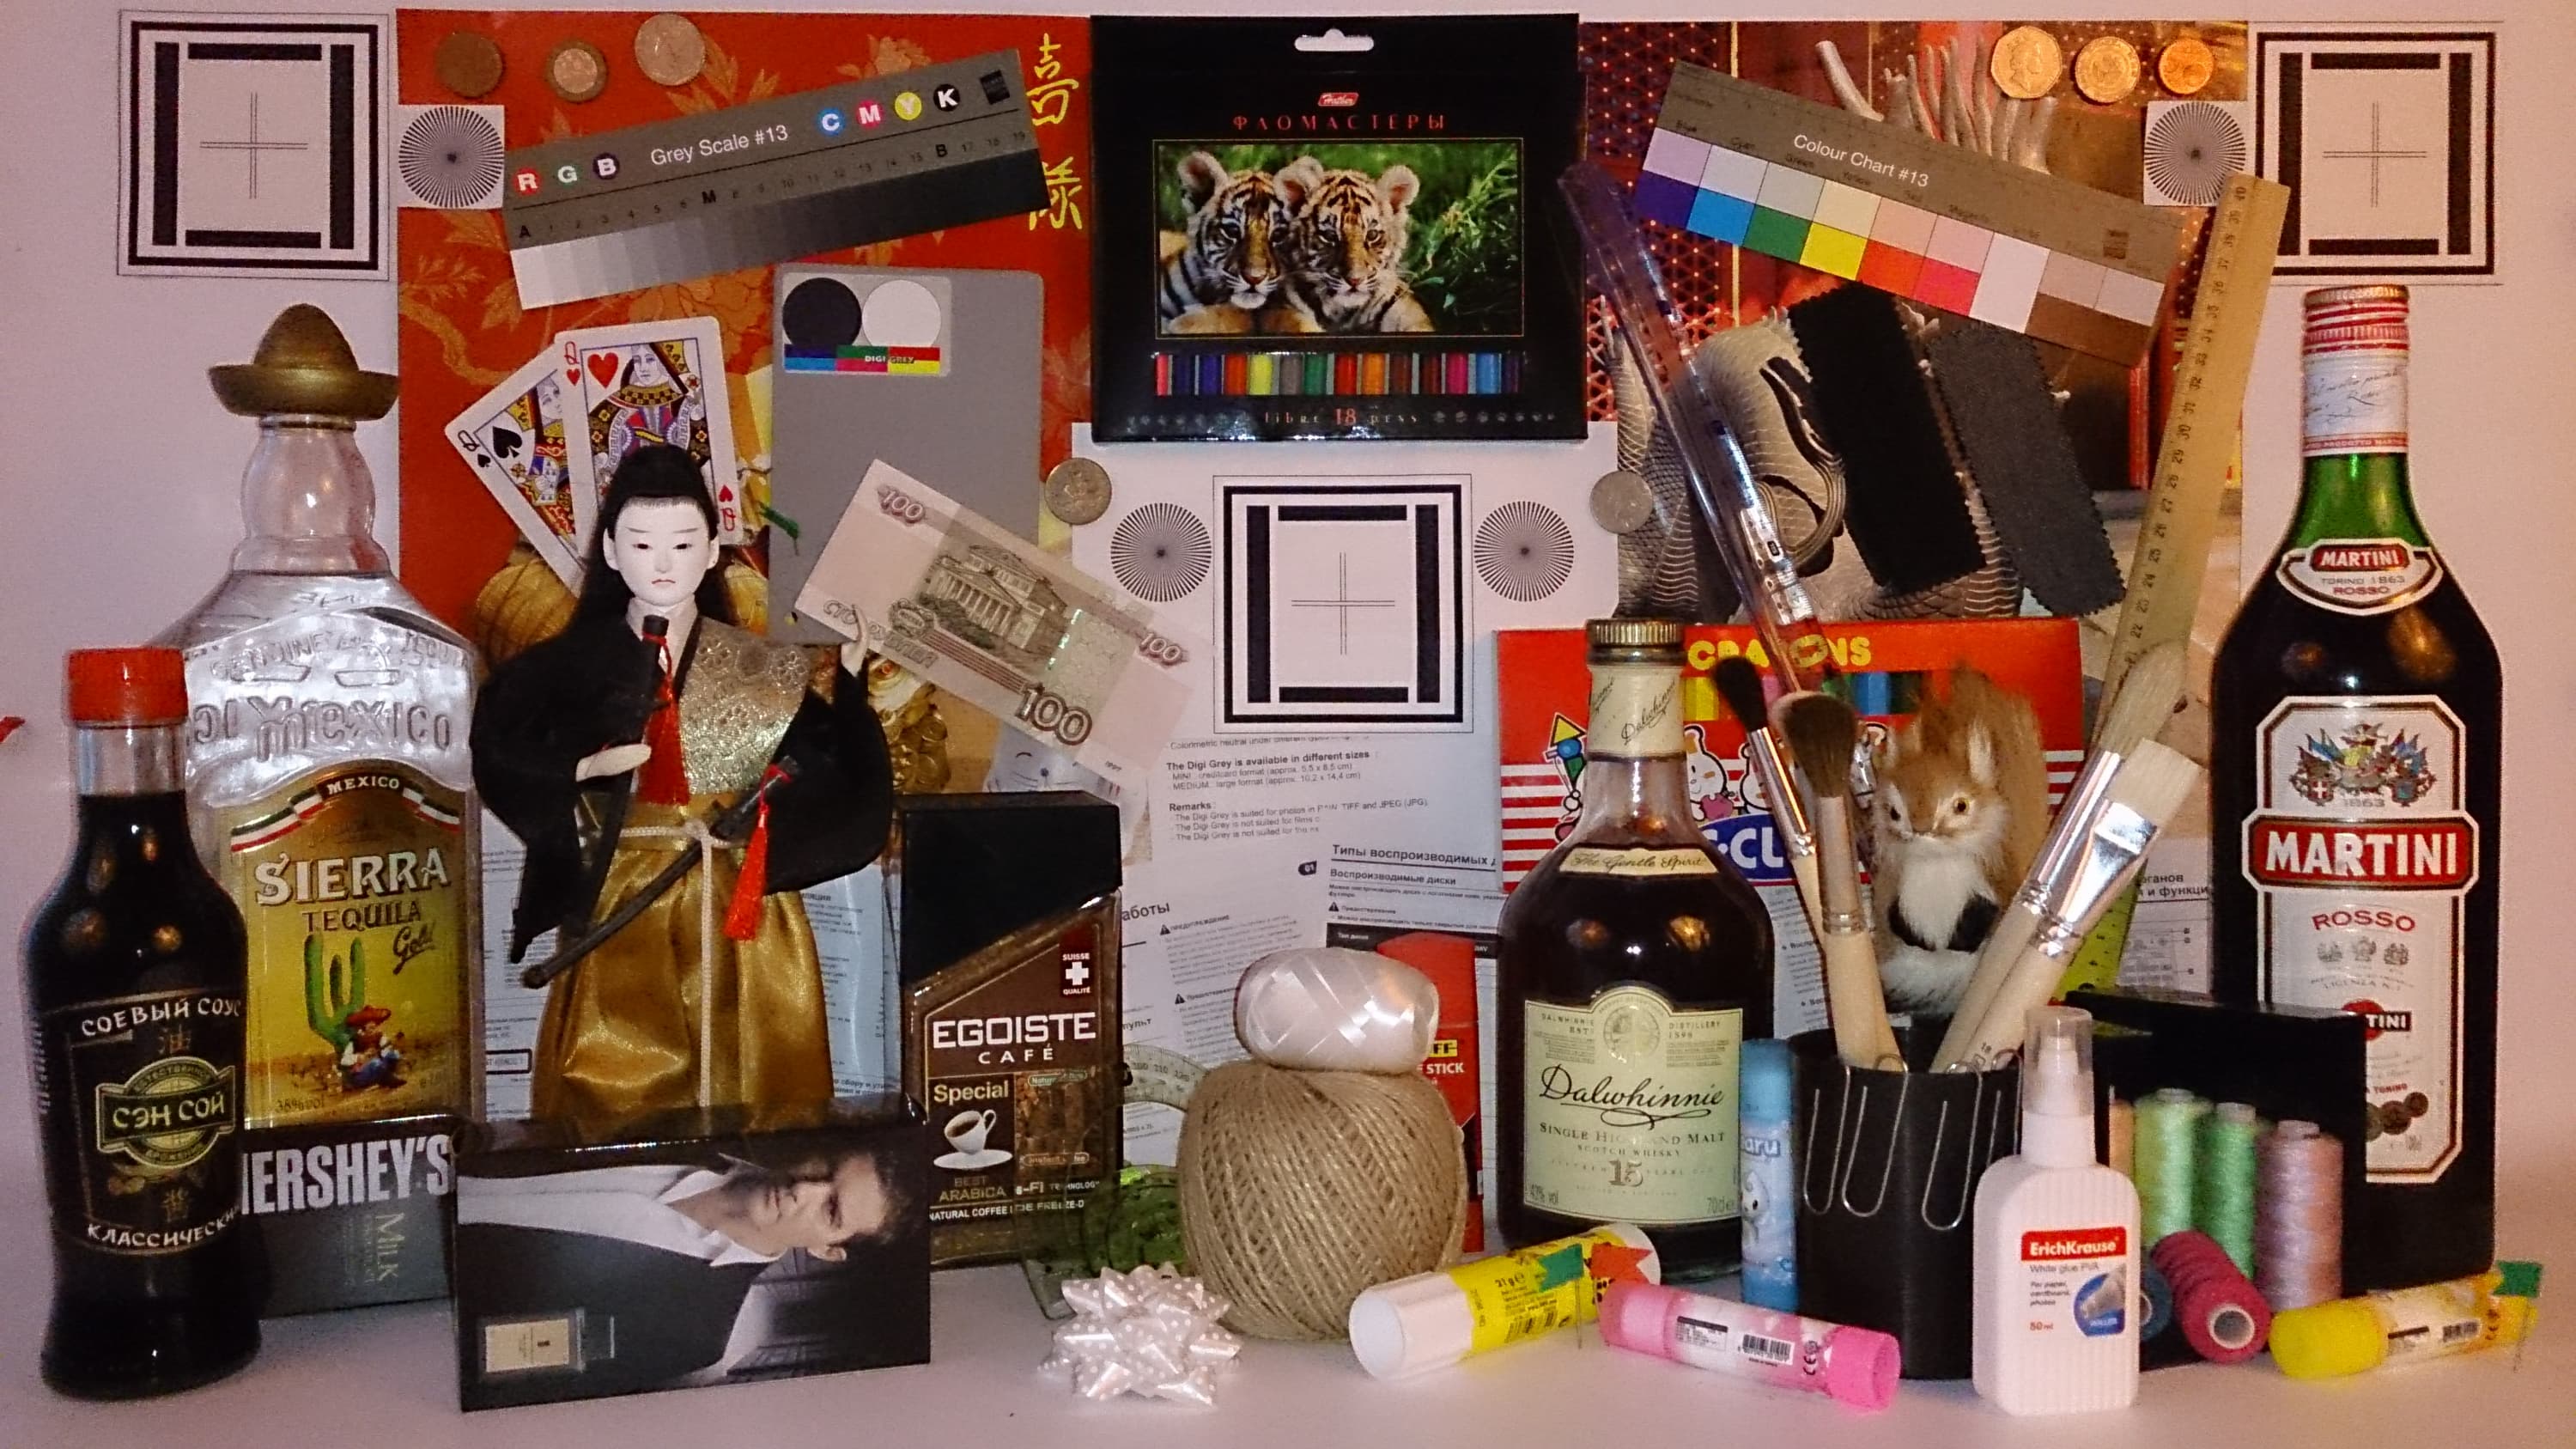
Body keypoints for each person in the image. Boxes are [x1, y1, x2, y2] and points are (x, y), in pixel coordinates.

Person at [473, 445, 894, 1121]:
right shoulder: (564, 667)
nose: (662, 563)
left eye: (683, 542)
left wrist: (848, 686)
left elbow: (835, 769)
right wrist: (577, 772)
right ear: (612, 551)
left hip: (739, 904)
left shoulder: (760, 668)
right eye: (642, 543)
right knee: (612, 1081)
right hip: (623, 896)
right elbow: (499, 748)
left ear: (711, 552)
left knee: (758, 1080)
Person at [454, 1141, 914, 1397]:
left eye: (830, 1210)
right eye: (827, 1166)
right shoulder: (700, 1135)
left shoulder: (692, 1336)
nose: (803, 1189)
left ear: (828, 1251)